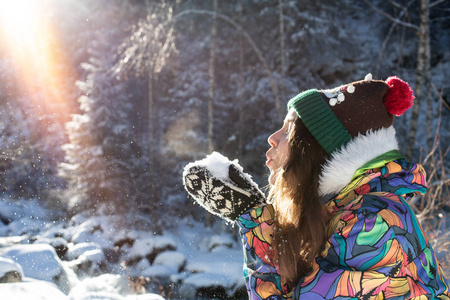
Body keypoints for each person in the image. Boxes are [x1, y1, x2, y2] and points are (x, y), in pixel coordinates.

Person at [183, 73, 449, 299]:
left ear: (318, 148)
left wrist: (256, 227)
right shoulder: (340, 212)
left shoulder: (371, 225)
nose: (272, 138)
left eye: (289, 130)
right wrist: (257, 219)